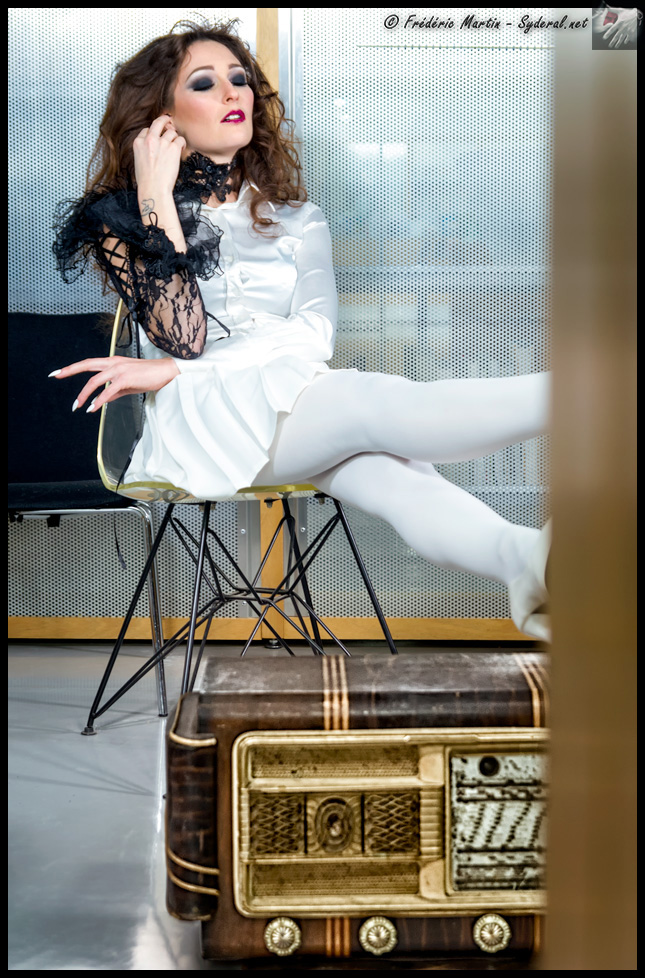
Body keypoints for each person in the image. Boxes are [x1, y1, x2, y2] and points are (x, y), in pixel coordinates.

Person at [52, 18, 551, 642]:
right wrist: (154, 190)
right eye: (204, 83)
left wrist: (176, 368)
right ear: (162, 116)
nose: (232, 92)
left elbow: (314, 337)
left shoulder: (298, 217)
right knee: (364, 402)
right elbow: (184, 338)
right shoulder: (123, 220)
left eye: (239, 78)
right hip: (199, 424)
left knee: (387, 473)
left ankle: (525, 564)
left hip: (299, 402)